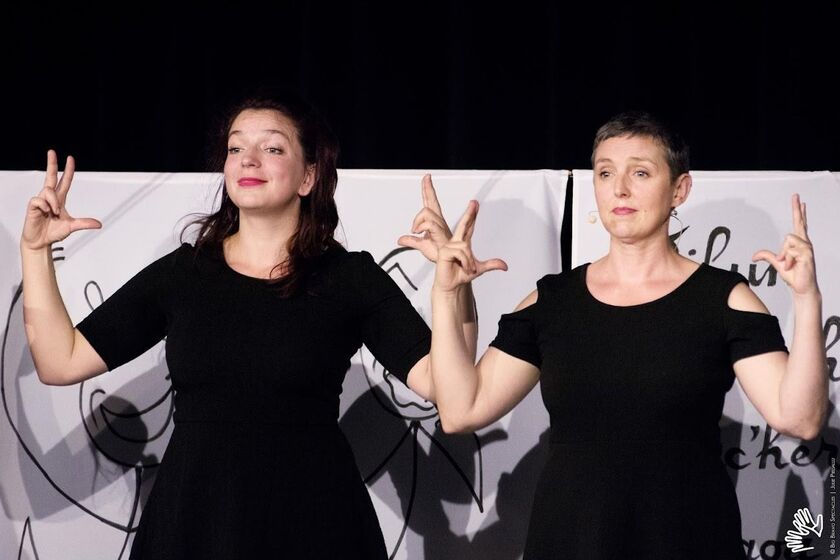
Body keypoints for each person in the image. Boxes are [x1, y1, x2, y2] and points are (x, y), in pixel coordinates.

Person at [20, 92, 438, 559]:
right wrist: (35, 251)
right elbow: (61, 361)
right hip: (195, 523)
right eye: (236, 148)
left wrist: (453, 290)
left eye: (272, 148)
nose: (248, 159)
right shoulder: (185, 273)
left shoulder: (348, 277)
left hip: (314, 522)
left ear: (309, 176)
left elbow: (443, 383)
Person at [409, 112, 829, 559]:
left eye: (640, 173)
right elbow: (461, 410)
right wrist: (447, 293)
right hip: (571, 542)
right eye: (605, 173)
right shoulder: (553, 302)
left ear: (680, 190)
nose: (620, 189)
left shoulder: (722, 299)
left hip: (686, 542)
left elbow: (800, 419)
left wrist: (807, 299)